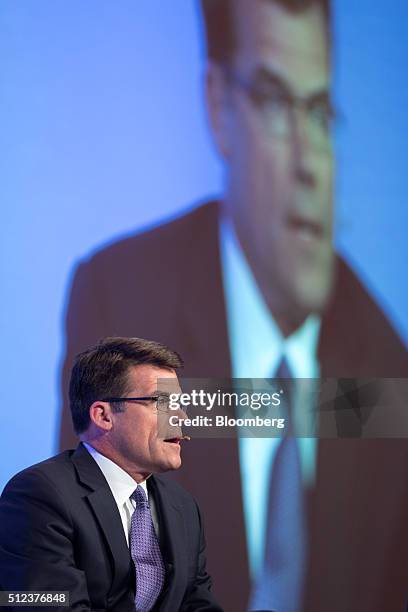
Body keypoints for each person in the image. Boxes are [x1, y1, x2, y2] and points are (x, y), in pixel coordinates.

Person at [58, 1, 408, 611]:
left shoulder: (383, 365)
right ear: (218, 106)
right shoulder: (120, 299)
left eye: (321, 112)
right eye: (275, 104)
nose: (310, 163)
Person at [0, 337, 222, 612]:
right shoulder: (39, 495)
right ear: (103, 416)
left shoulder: (182, 506)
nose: (182, 418)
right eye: (162, 403)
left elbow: (197, 604)